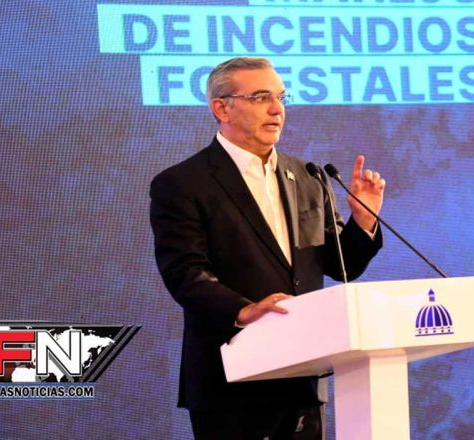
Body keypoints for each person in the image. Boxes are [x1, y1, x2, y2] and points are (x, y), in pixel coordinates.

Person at [149, 57, 385, 440]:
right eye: (261, 98)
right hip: (232, 383)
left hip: (304, 378)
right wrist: (243, 309)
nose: (277, 109)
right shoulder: (183, 183)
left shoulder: (308, 177)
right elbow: (185, 273)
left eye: (281, 97)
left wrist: (363, 220)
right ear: (222, 108)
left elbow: (343, 266)